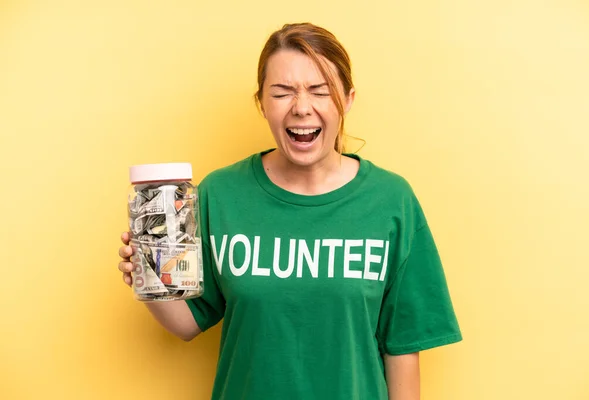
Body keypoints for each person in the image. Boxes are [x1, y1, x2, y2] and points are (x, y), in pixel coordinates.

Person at [118, 22, 462, 400]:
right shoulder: (219, 194)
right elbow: (187, 324)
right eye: (282, 93)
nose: (301, 107)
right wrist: (148, 277)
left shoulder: (392, 200)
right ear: (262, 103)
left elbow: (402, 348)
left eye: (320, 91)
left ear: (346, 100)